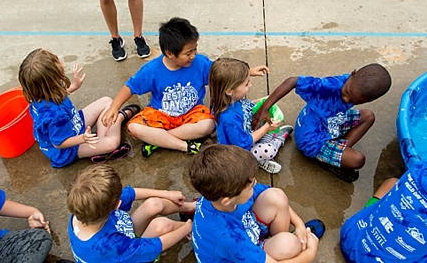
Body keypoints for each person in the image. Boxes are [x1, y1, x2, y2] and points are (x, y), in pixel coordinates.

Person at [189, 144, 325, 263]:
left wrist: (299, 224)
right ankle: (289, 259)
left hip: (239, 232)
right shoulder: (227, 237)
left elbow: (274, 197)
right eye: (251, 186)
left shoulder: (219, 193)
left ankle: (282, 248)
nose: (255, 185)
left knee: (276, 196)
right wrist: (310, 254)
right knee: (291, 245)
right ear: (227, 200)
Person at [101, 17, 232, 157]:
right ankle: (184, 146)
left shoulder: (201, 63)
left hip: (192, 112)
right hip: (160, 114)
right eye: (188, 53)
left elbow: (221, 73)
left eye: (195, 49)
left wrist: (247, 72)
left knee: (209, 125)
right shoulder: (152, 69)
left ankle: (158, 140)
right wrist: (114, 107)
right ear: (169, 53)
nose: (193, 55)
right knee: (134, 127)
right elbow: (130, 86)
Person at [67, 164, 194, 263]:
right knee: (162, 225)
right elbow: (155, 246)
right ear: (117, 205)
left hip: (115, 242)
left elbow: (131, 193)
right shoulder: (108, 245)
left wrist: (166, 194)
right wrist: (187, 228)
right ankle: (196, 228)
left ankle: (192, 207)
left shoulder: (83, 209)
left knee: (154, 204)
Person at [252, 63, 391, 183]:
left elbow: (353, 103)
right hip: (311, 138)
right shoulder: (329, 86)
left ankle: (337, 148)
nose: (347, 100)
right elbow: (292, 81)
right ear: (352, 74)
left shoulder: (353, 87)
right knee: (357, 160)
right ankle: (325, 158)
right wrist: (265, 107)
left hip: (331, 123)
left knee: (368, 116)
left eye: (354, 101)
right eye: (347, 93)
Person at [18, 48, 139, 168]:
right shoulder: (55, 115)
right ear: (53, 79)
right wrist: (82, 138)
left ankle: (99, 146)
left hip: (72, 124)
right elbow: (58, 143)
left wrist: (73, 87)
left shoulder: (36, 95)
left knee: (106, 101)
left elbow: (53, 97)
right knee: (112, 143)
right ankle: (119, 120)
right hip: (67, 150)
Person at [209, 58, 293, 174]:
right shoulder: (229, 119)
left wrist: (261, 102)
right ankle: (277, 140)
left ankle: (270, 137)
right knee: (268, 150)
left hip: (247, 130)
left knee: (265, 116)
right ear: (229, 91)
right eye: (246, 84)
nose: (250, 85)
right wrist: (266, 129)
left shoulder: (228, 99)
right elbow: (243, 143)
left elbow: (245, 107)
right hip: (239, 153)